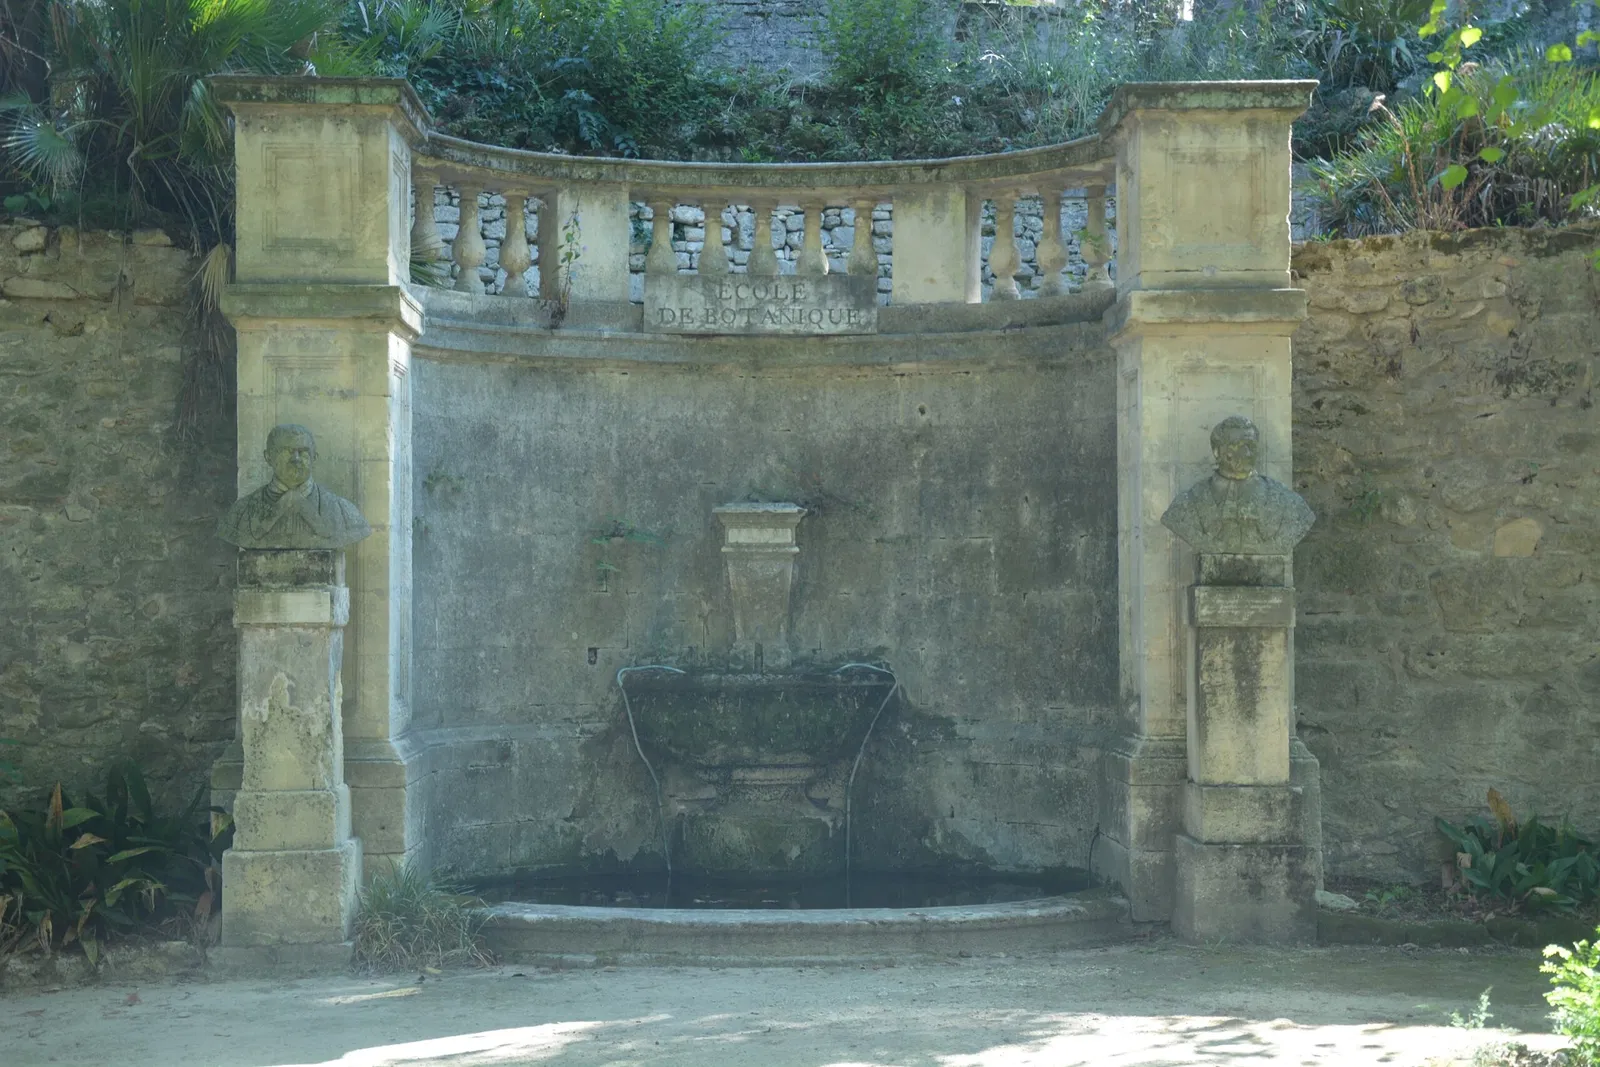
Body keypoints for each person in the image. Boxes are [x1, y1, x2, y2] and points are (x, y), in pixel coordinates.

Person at [1161, 415, 1314, 555]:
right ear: (1217, 451)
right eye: (1238, 446)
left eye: (1251, 446)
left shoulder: (1287, 502)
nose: (1247, 453)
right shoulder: (1189, 503)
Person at [218, 424, 372, 550]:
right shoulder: (239, 514)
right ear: (268, 457)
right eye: (286, 451)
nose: (296, 459)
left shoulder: (345, 513)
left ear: (314, 458)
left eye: (303, 452)